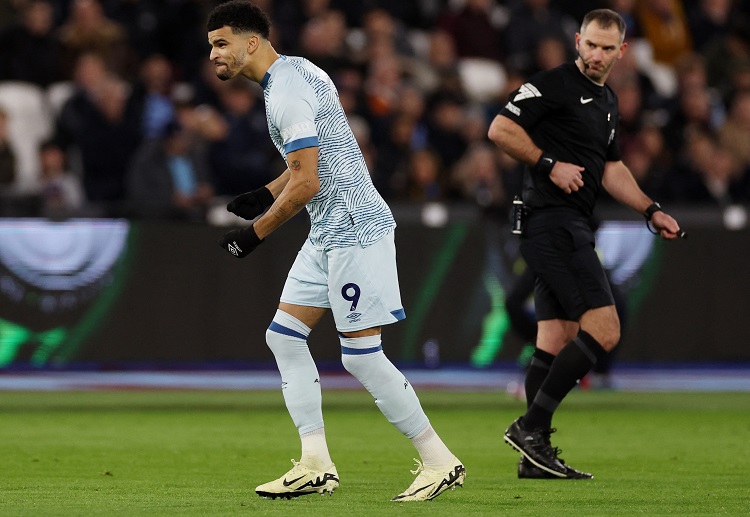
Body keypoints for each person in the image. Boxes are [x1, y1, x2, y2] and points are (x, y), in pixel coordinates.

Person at [206, 1, 465, 502]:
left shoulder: (286, 93)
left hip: (354, 229)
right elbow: (310, 156)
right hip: (328, 232)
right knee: (283, 337)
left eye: (222, 44)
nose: (214, 55)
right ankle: (315, 462)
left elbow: (307, 182)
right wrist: (267, 189)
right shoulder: (298, 70)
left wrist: (255, 232)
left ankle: (439, 459)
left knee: (362, 357)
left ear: (251, 42)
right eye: (212, 46)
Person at [487, 8, 682, 479]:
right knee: (606, 329)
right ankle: (531, 426)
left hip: (569, 222)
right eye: (590, 45)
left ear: (622, 51)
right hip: (550, 223)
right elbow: (500, 129)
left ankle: (533, 458)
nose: (596, 55)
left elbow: (611, 169)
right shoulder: (550, 84)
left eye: (606, 48)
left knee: (555, 339)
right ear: (577, 40)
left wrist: (650, 209)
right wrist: (548, 162)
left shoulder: (608, 100)